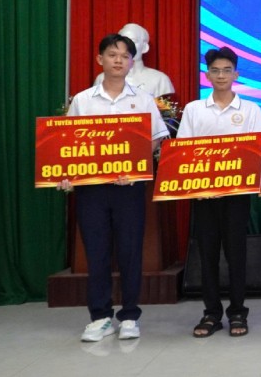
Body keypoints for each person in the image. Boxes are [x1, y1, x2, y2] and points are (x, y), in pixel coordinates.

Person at [59, 34, 170, 342]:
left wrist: (134, 165)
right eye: (112, 54)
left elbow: (156, 137)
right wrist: (67, 174)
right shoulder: (83, 100)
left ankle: (130, 315)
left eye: (124, 56)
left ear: (131, 62)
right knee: (96, 252)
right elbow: (68, 143)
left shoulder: (143, 99)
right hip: (92, 189)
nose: (119, 60)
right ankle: (100, 316)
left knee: (130, 251)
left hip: (128, 187)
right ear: (100, 60)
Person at [177, 47, 261, 338]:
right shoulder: (193, 109)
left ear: (236, 75)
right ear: (207, 75)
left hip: (238, 196)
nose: (221, 75)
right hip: (203, 196)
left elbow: (257, 153)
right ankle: (211, 313)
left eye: (227, 70)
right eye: (215, 70)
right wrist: (198, 186)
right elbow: (184, 154)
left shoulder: (250, 110)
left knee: (237, 254)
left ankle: (238, 311)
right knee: (208, 254)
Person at [94, 23, 175, 97]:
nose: (129, 46)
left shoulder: (160, 79)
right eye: (124, 41)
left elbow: (169, 111)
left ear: (144, 47)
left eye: (134, 41)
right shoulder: (102, 78)